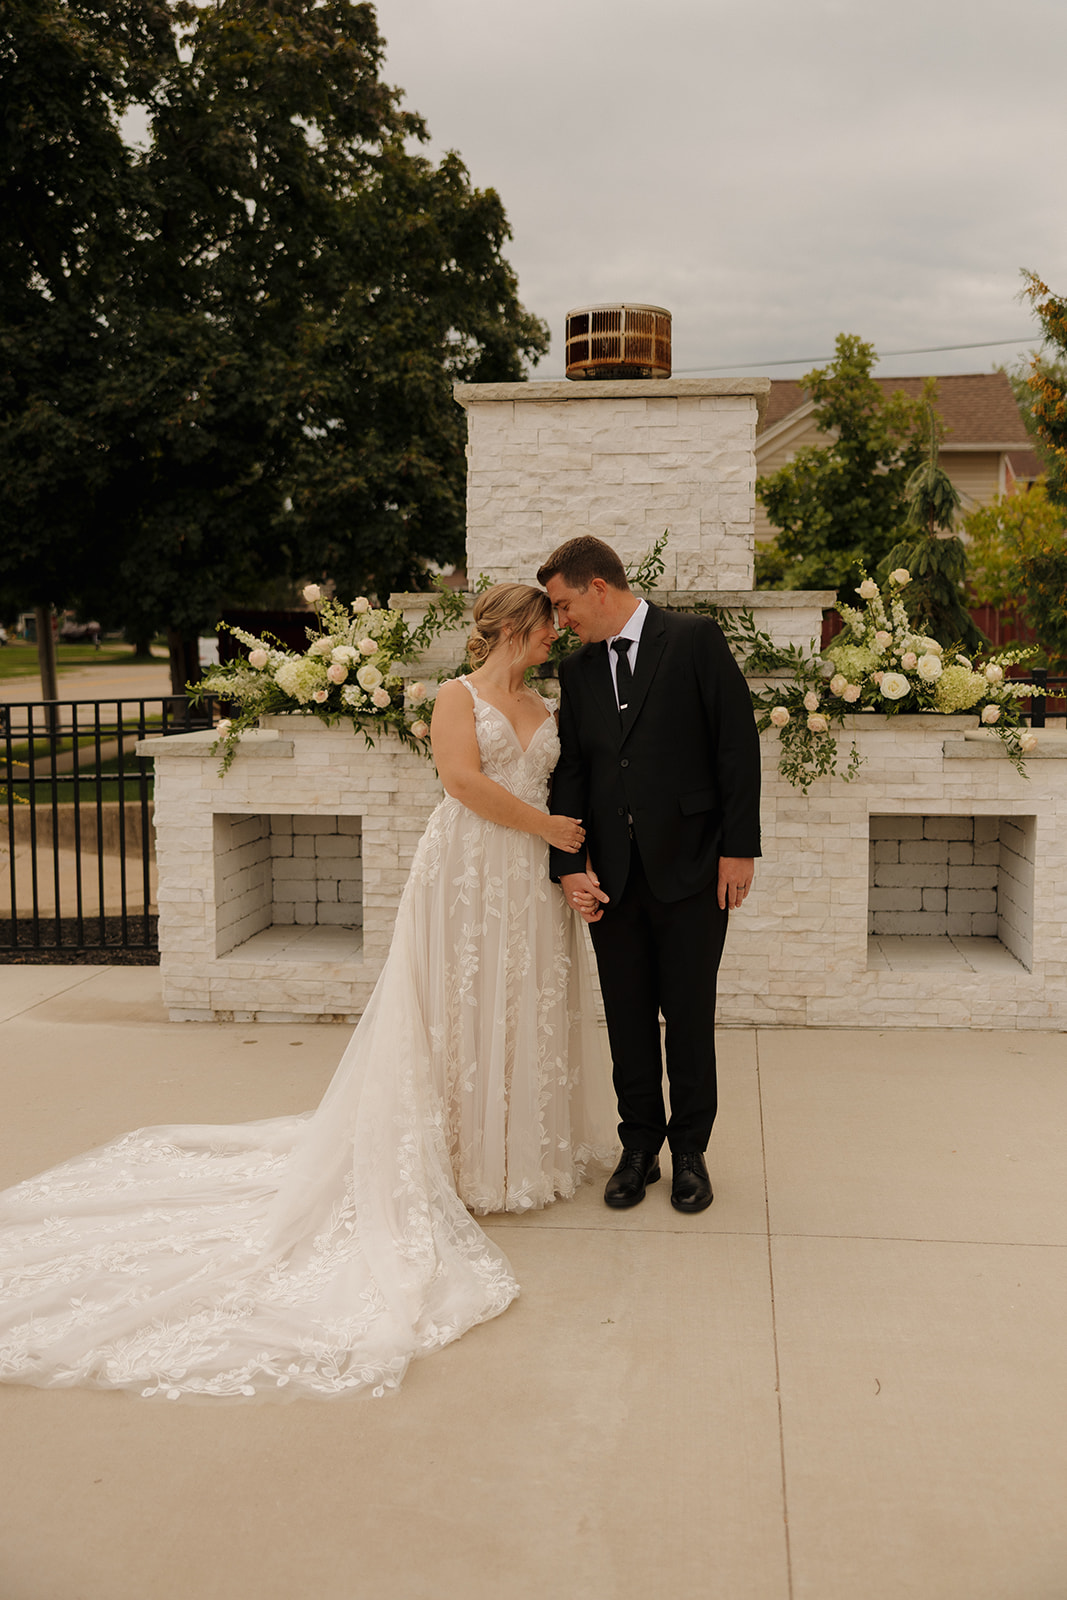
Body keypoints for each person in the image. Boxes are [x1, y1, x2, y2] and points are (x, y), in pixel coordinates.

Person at [0, 584, 615, 1403]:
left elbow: (563, 789)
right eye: (546, 629)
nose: (555, 640)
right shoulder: (452, 698)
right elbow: (461, 783)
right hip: (469, 867)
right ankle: (462, 1158)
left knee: (520, 1004)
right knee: (459, 1009)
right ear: (513, 627)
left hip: (529, 880)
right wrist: (546, 831)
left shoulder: (547, 701)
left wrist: (567, 860)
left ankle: (516, 1151)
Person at [537, 536, 761, 1214]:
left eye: (564, 604)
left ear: (598, 586)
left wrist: (738, 849)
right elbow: (572, 769)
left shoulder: (693, 640)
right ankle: (638, 1148)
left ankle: (690, 1151)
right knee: (628, 1018)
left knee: (688, 1016)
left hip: (694, 866)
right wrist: (569, 866)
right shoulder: (575, 673)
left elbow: (735, 743)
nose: (560, 620)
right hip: (613, 878)